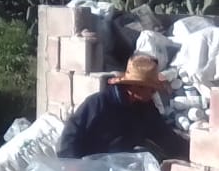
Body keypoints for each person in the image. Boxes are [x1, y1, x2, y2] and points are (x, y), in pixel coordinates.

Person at [58, 55, 189, 161]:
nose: (154, 93)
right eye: (152, 89)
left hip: (120, 169)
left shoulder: (146, 108)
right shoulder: (99, 103)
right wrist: (72, 167)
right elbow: (70, 135)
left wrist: (192, 152)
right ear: (135, 87)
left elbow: (164, 135)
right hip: (91, 168)